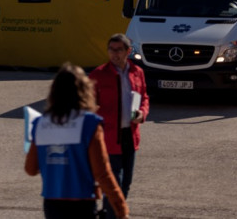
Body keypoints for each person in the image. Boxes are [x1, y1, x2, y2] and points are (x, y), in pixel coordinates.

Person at [25, 63, 129, 219]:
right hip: (81, 204)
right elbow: (102, 173)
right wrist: (121, 209)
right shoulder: (89, 123)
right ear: (84, 91)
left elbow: (31, 169)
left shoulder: (41, 123)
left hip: (52, 203)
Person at [89, 33, 149, 219]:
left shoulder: (137, 72)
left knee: (125, 184)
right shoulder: (98, 74)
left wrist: (142, 113)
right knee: (114, 183)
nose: (114, 54)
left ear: (128, 51)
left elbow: (144, 97)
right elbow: (87, 104)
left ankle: (114, 213)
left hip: (130, 136)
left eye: (119, 50)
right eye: (111, 50)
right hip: (108, 137)